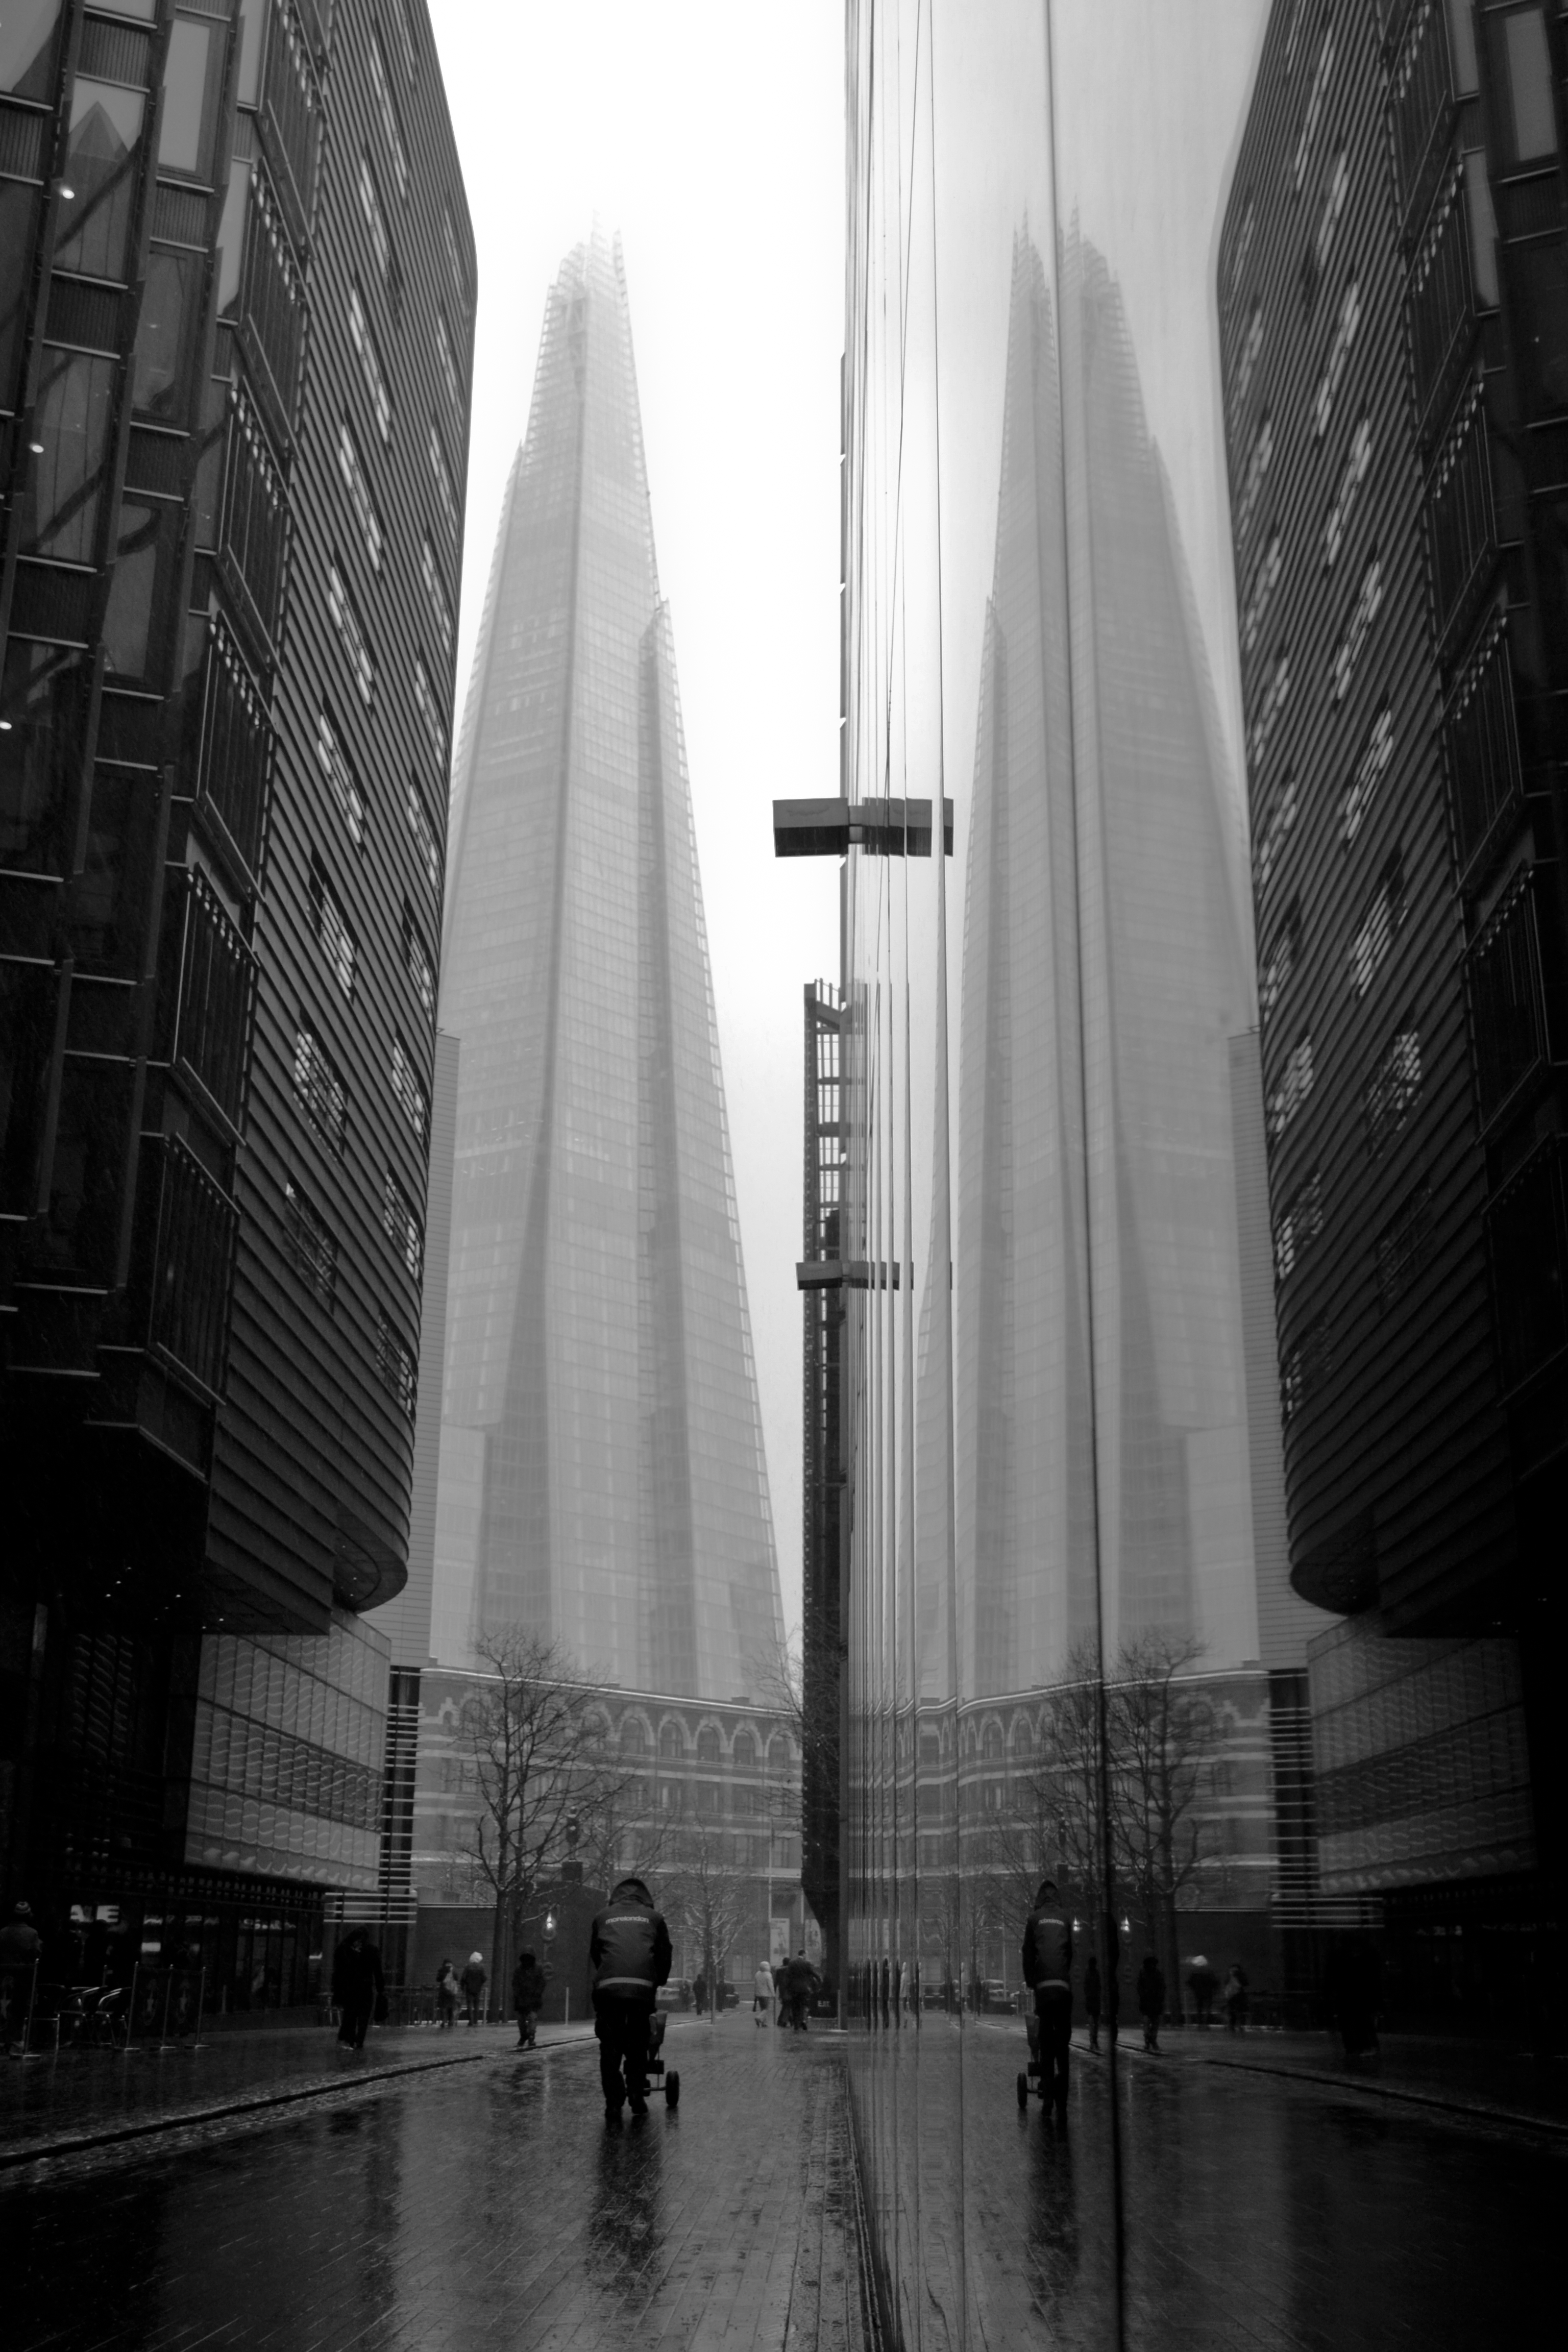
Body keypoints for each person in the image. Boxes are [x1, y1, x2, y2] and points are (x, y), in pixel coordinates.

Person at [589, 1874, 672, 2120]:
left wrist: (607, 1978)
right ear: (645, 1898)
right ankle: (636, 2095)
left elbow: (596, 1953)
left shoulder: (602, 1916)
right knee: (638, 2044)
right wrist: (659, 1980)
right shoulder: (655, 1919)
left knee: (610, 2048)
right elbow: (664, 1954)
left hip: (609, 1991)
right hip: (641, 1991)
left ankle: (613, 2104)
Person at [1021, 1878, 1073, 2119]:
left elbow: (1027, 1953)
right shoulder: (1066, 1917)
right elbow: (1070, 1952)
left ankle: (1048, 2099)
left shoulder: (1034, 1920)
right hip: (1062, 1987)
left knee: (1046, 2043)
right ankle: (1063, 2097)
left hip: (1043, 1988)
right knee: (1063, 2044)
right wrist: (1064, 1976)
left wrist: (1033, 1981)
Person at [331, 1927, 384, 2052]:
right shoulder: (371, 1951)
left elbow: (339, 1972)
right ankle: (359, 2041)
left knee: (351, 2015)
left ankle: (351, 2039)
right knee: (363, 2017)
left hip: (351, 1989)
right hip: (365, 1988)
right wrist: (381, 1988)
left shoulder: (345, 1950)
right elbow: (378, 1971)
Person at [0, 1903, 43, 2057]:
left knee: (3, 2010)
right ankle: (16, 2043)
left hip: (3, 1975)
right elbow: (36, 1953)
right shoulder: (32, 1933)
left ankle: (2, 2041)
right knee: (18, 2010)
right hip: (23, 1977)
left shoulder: (3, 1932)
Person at [512, 1948, 547, 2048]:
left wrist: (536, 1993)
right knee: (522, 2020)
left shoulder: (538, 1969)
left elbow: (542, 1983)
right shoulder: (519, 1970)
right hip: (522, 1999)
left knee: (532, 2018)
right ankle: (524, 2036)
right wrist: (518, 1994)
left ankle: (531, 2036)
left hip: (532, 1999)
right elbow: (515, 1983)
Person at [783, 1948, 820, 2031]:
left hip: (794, 1989)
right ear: (803, 1954)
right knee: (803, 2004)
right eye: (806, 1954)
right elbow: (814, 1974)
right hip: (804, 1989)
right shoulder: (807, 1964)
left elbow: (788, 1976)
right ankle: (803, 2020)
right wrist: (819, 1982)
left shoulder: (792, 1963)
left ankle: (796, 2023)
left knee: (795, 2006)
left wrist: (787, 1987)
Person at [1136, 1954, 1166, 2052]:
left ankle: (1149, 2041)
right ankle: (1151, 2040)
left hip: (1149, 2002)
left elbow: (1139, 1987)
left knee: (1149, 2023)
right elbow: (1162, 1987)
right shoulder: (1156, 1973)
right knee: (1153, 2023)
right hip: (1153, 2002)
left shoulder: (1145, 1974)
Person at [1187, 1953, 1219, 2028]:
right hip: (1208, 1993)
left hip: (1198, 1993)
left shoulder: (1195, 1973)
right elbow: (1215, 1982)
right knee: (1207, 2008)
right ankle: (1206, 2022)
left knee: (1199, 2008)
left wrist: (1194, 1989)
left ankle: (1200, 2023)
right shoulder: (1209, 1972)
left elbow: (1189, 1982)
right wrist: (1214, 1990)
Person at [459, 1950, 487, 2028]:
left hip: (469, 1989)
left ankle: (471, 2021)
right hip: (478, 1989)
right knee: (477, 2006)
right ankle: (476, 2021)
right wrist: (480, 1983)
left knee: (470, 2006)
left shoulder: (468, 1967)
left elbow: (463, 1978)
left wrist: (463, 1987)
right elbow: (485, 1978)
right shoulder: (481, 1967)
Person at [1223, 1961, 1250, 2035]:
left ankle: (1234, 2026)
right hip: (1237, 1996)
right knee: (1238, 2012)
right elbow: (1245, 1984)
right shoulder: (1240, 1976)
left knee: (1234, 2012)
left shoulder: (1230, 1976)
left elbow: (1226, 1983)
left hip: (1232, 1996)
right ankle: (1238, 2026)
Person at [1082, 1955, 1102, 2053]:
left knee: (1093, 2024)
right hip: (1093, 2002)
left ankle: (1093, 2042)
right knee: (1094, 2024)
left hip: (1092, 2002)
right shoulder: (1094, 1974)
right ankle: (1094, 2042)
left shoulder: (1089, 1974)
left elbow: (1087, 1987)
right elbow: (1098, 1987)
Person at [435, 1958, 458, 2029]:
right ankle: (451, 2021)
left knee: (443, 2007)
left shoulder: (442, 1970)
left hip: (444, 1991)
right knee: (451, 2006)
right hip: (452, 1992)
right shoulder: (454, 1971)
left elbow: (438, 1979)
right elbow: (457, 1978)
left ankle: (443, 2021)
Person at [753, 1959, 774, 2026]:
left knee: (762, 2008)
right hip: (766, 1994)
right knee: (766, 2009)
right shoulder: (768, 1974)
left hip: (759, 1994)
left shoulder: (758, 1974)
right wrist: (773, 1994)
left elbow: (756, 1985)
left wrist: (756, 1994)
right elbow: (770, 1985)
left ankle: (764, 2023)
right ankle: (759, 2018)